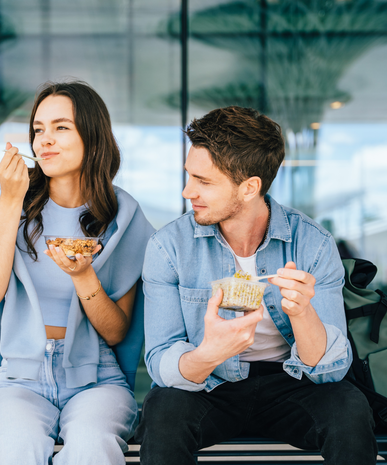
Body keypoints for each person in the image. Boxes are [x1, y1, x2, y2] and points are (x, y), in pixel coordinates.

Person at [134, 106, 377, 464]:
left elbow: (331, 371)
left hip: (292, 384)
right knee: (162, 409)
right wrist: (210, 352)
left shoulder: (313, 244)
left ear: (249, 188)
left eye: (204, 181)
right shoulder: (168, 247)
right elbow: (159, 360)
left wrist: (302, 312)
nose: (188, 191)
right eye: (189, 176)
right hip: (209, 384)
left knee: (349, 408)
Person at [0, 81, 154, 464]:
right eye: (38, 129)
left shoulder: (123, 217)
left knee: (93, 448)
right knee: (14, 449)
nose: (44, 139)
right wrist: (12, 201)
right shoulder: (0, 204)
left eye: (61, 127)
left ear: (92, 137)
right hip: (18, 379)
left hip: (98, 379)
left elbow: (116, 331)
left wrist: (84, 277)